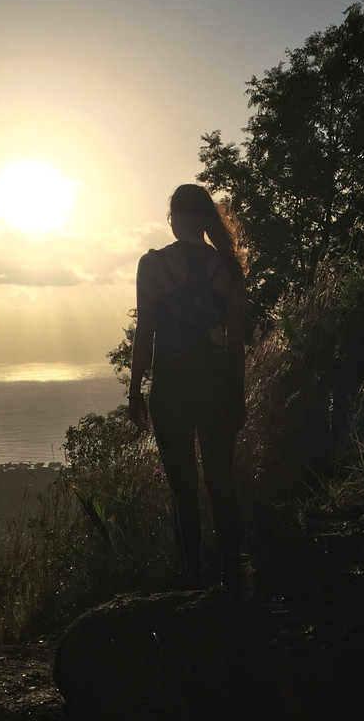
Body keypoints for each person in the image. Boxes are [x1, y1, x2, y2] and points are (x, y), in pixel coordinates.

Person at [127, 184, 247, 590]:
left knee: (183, 489)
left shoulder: (155, 265)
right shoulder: (228, 268)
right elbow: (235, 343)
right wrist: (239, 393)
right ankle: (233, 575)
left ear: (175, 218)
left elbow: (145, 333)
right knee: (221, 482)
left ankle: (190, 580)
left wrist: (134, 393)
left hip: (172, 387)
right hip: (218, 386)